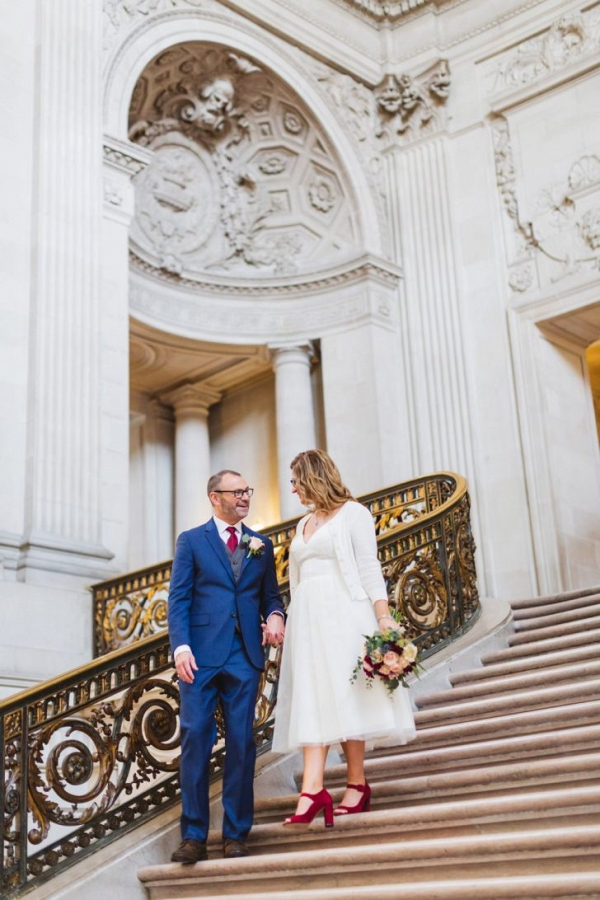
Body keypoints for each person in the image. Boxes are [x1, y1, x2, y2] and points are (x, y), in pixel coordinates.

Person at [272, 450, 416, 827]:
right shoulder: (303, 524)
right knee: (315, 695)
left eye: (296, 481)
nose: (293, 489)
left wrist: (384, 618)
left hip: (344, 612)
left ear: (314, 477)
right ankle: (316, 788)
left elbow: (369, 567)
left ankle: (354, 784)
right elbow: (296, 579)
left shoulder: (354, 514)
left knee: (345, 695)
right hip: (308, 617)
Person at [168, 470, 285, 863]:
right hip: (198, 657)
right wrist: (181, 647)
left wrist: (275, 616)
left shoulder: (261, 545)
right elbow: (179, 598)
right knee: (195, 740)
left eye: (247, 490)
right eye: (237, 492)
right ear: (215, 497)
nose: (245, 497)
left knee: (242, 743)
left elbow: (272, 595)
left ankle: (236, 834)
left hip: (245, 656)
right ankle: (194, 836)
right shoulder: (191, 541)